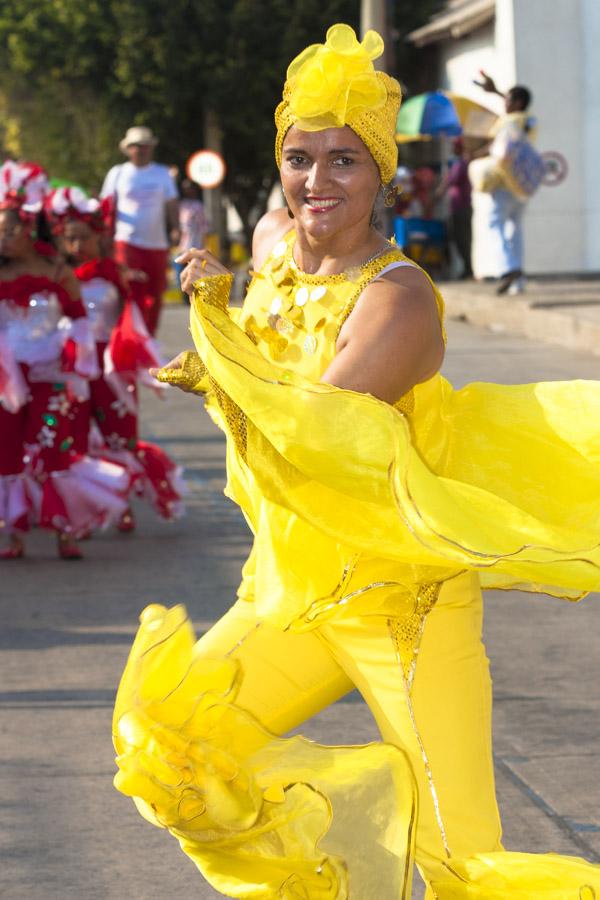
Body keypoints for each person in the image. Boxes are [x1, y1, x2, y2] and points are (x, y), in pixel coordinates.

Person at [112, 26, 600, 898]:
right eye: (301, 157)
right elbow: (267, 331)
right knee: (175, 740)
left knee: (462, 864)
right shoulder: (269, 250)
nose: (316, 182)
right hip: (291, 592)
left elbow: (315, 430)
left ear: (382, 174)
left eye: (345, 161)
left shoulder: (399, 298)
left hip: (401, 610)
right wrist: (222, 325)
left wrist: (218, 346)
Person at [0, 161, 129, 560]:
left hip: (51, 373)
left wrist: (76, 357)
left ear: (30, 229)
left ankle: (65, 533)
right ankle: (16, 536)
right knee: (7, 453)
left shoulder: (58, 271)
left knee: (54, 449)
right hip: (6, 379)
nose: (3, 236)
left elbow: (78, 323)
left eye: (10, 229)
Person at [47, 186, 185, 530]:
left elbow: (135, 322)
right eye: (70, 239)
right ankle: (84, 510)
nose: (76, 246)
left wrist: (136, 288)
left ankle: (123, 504)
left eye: (83, 238)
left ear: (99, 237)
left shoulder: (116, 275)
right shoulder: (58, 278)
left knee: (118, 438)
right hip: (75, 369)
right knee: (75, 438)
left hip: (111, 369)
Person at [100, 126, 180, 335]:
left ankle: (148, 337)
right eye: (136, 146)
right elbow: (106, 206)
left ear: (151, 148)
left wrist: (176, 227)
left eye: (145, 146)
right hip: (126, 241)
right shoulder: (118, 173)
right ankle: (127, 337)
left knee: (155, 294)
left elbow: (172, 203)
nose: (141, 150)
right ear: (128, 149)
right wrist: (104, 235)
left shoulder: (162, 173)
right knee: (129, 290)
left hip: (156, 243)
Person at [471, 73, 536, 294]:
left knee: (494, 223)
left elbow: (497, 146)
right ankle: (518, 280)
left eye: (507, 99)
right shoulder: (528, 119)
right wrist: (497, 92)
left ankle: (508, 269)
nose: (504, 102)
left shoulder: (509, 122)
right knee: (515, 228)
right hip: (522, 184)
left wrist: (475, 155)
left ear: (516, 102)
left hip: (502, 182)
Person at [436, 137, 473, 278]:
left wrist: (445, 178)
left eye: (454, 146)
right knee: (458, 238)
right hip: (457, 206)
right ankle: (466, 267)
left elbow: (452, 180)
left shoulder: (461, 163)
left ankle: (468, 268)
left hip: (461, 207)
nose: (452, 148)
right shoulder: (459, 163)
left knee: (462, 239)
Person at [174, 178, 209, 303]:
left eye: (189, 188)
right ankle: (184, 294)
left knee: (194, 271)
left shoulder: (198, 206)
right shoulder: (181, 205)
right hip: (182, 245)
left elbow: (203, 226)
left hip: (195, 244)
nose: (187, 191)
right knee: (180, 270)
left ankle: (194, 295)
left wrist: (203, 244)